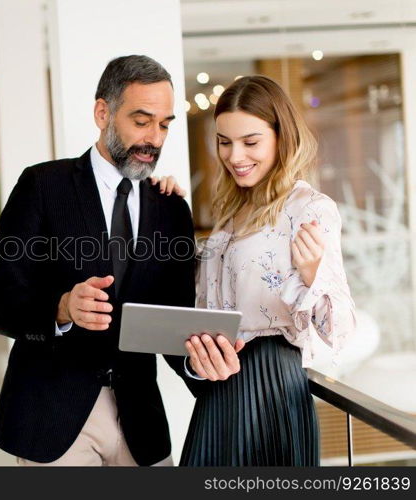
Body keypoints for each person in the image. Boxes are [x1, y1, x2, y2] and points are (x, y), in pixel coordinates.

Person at [0, 55, 243, 466]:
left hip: (141, 421)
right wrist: (62, 308)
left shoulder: (171, 208)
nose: (154, 138)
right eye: (141, 121)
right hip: (53, 416)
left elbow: (173, 318)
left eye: (165, 124)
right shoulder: (42, 186)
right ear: (103, 112)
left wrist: (199, 361)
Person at [152, 75, 356, 465]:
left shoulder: (310, 209)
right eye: (224, 142)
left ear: (282, 138)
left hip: (270, 386)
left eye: (250, 142)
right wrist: (161, 201)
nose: (234, 156)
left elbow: (341, 331)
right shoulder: (230, 211)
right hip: (221, 385)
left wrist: (314, 276)